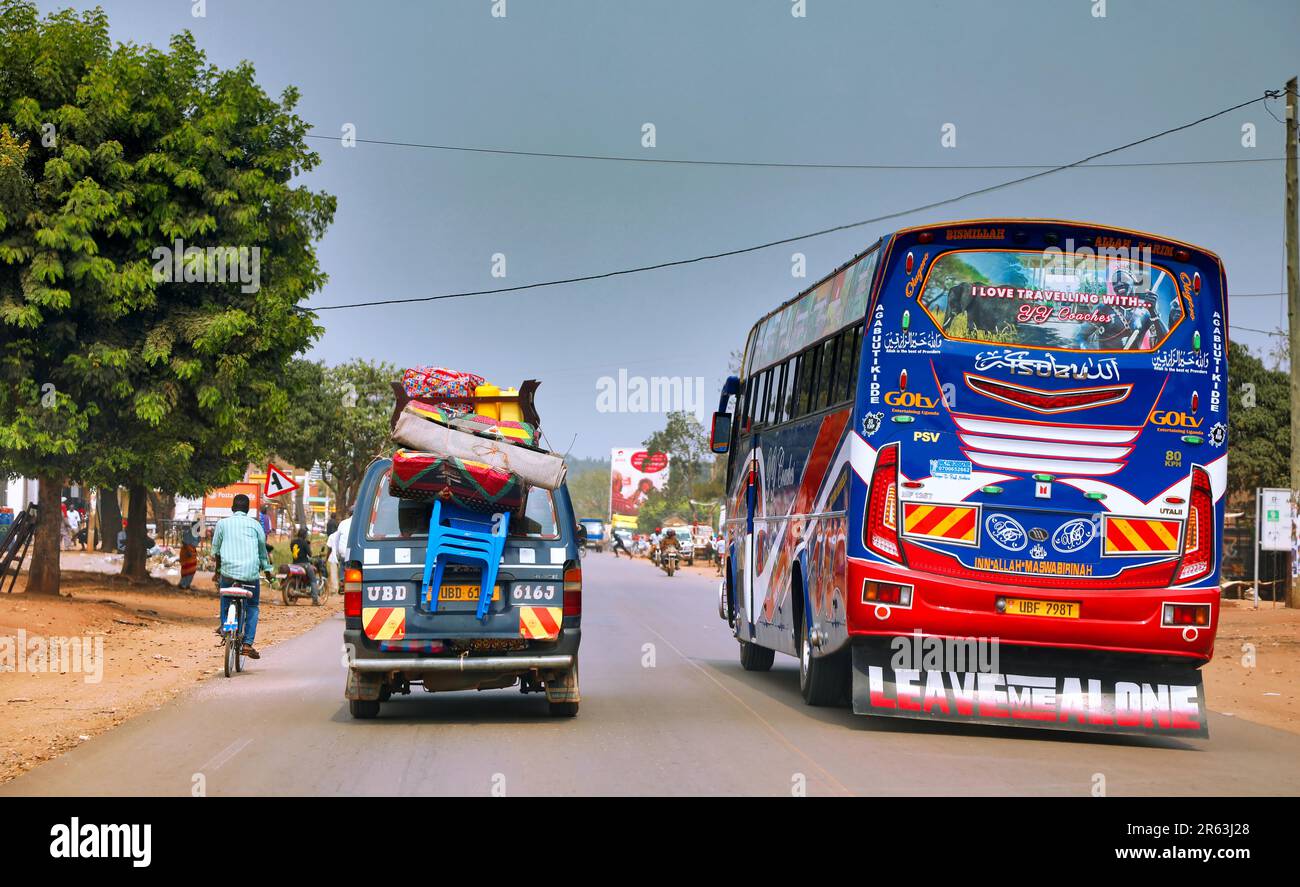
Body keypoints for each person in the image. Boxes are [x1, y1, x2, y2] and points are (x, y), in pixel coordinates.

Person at [212, 493, 272, 659]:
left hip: (228, 573)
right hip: (250, 575)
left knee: (225, 598)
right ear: (248, 510)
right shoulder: (255, 525)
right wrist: (268, 572)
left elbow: (216, 551)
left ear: (232, 508)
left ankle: (226, 627)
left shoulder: (222, 524)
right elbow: (262, 553)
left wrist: (218, 571)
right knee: (252, 606)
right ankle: (247, 644)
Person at [290, 526, 319, 603]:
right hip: (304, 564)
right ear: (305, 535)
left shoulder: (293, 542)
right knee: (313, 579)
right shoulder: (304, 542)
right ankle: (315, 600)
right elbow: (310, 554)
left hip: (294, 564)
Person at [178, 521, 199, 590]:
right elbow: (185, 543)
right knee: (187, 569)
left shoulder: (196, 534)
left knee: (191, 569)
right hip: (187, 553)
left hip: (192, 552)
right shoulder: (189, 533)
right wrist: (189, 551)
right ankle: (183, 584)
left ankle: (186, 584)